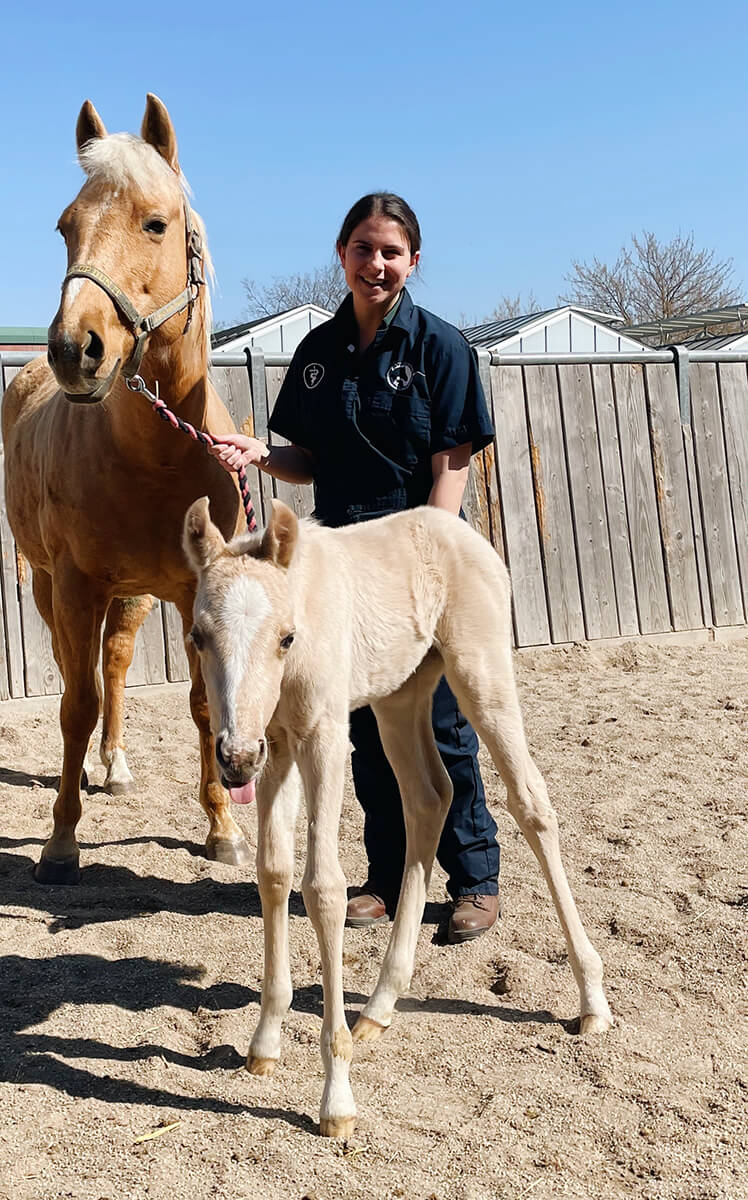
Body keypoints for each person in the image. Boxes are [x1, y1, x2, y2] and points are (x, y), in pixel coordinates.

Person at [210, 193, 500, 943]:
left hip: (416, 561)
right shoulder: (316, 354)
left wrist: (429, 558)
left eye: (392, 251)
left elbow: (453, 463)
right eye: (364, 248)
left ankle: (474, 878)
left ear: (413, 262)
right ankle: (385, 873)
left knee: (443, 723)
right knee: (359, 728)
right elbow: (306, 461)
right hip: (337, 565)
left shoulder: (442, 348)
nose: (377, 263)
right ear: (342, 254)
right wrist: (259, 456)